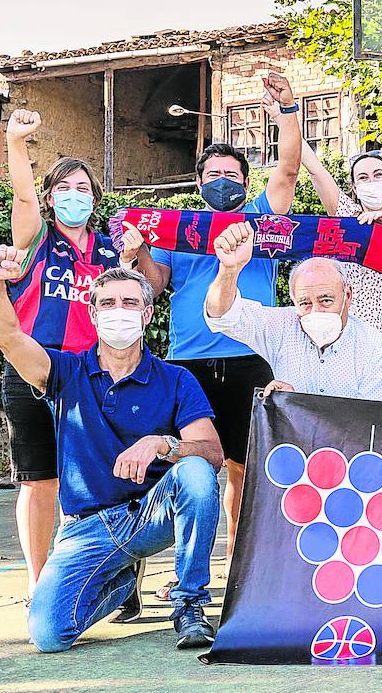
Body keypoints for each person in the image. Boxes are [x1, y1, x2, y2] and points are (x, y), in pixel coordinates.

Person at [0, 251, 223, 652]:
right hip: (85, 527)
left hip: (149, 514)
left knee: (195, 472)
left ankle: (190, 603)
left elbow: (212, 453)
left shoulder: (176, 379)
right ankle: (122, 581)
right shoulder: (64, 371)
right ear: (92, 315)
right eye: (107, 303)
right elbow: (9, 338)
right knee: (49, 634)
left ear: (146, 315)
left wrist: (162, 444)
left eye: (129, 303)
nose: (118, 312)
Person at [122, 72, 301, 563]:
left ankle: (240, 569)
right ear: (199, 184)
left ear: (245, 182)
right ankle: (165, 570)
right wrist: (138, 255)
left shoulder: (264, 221)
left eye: (232, 174)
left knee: (246, 472)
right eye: (213, 175)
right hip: (188, 367)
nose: (223, 181)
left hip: (250, 360)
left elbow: (286, 170)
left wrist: (287, 111)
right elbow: (153, 284)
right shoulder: (178, 230)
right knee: (183, 470)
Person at [2, 108, 120, 601]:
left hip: (91, 374)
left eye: (84, 188)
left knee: (100, 480)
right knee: (41, 481)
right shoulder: (36, 239)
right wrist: (16, 143)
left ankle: (113, 574)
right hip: (34, 368)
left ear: (95, 199)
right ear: (52, 197)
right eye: (65, 188)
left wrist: (136, 256)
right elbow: (22, 195)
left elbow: (136, 298)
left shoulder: (112, 249)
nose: (75, 196)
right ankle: (39, 580)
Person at [202, 222, 382, 401]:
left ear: (348, 295)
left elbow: (373, 423)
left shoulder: (374, 347)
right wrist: (229, 270)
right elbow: (222, 315)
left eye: (326, 300)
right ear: (293, 301)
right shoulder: (282, 325)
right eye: (305, 303)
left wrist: (298, 405)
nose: (316, 311)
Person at [303, 142, 382, 403]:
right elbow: (314, 168)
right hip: (351, 329)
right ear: (354, 188)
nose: (372, 182)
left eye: (378, 175)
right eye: (363, 177)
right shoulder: (347, 220)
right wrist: (285, 114)